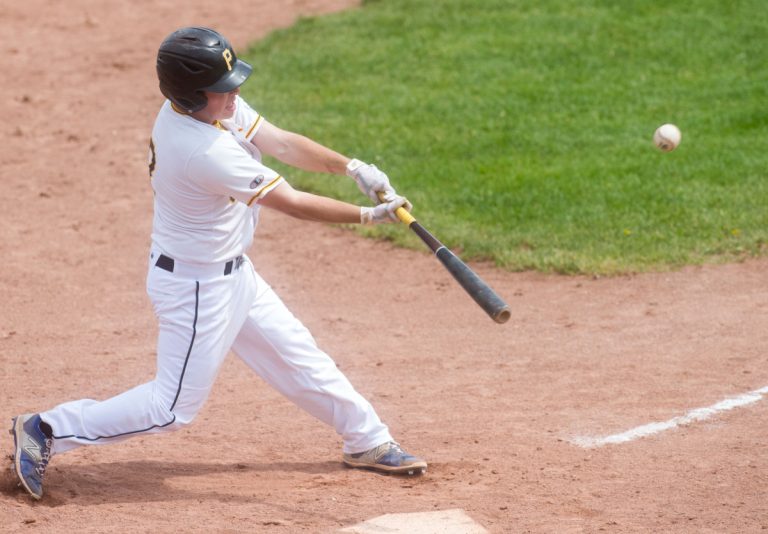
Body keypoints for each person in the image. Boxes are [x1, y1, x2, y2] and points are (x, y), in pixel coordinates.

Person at [9, 26, 427, 501]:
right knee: (170, 409)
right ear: (190, 95)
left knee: (301, 357)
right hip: (196, 287)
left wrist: (351, 167)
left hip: (233, 274)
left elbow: (281, 142)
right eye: (223, 88)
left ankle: (366, 439)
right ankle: (46, 428)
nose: (235, 94)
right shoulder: (202, 150)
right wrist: (368, 216)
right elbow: (290, 201)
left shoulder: (206, 111)